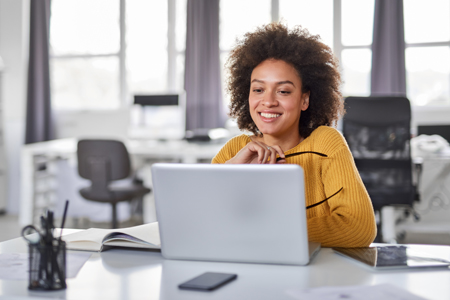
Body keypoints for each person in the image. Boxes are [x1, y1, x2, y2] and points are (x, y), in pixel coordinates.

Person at [212, 23, 377, 248]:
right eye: (258, 89)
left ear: (304, 99)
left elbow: (358, 227)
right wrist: (228, 174)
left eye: (283, 91)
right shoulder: (235, 150)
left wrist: (264, 232)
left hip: (315, 277)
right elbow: (203, 225)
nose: (268, 101)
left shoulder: (326, 144)